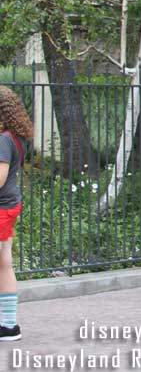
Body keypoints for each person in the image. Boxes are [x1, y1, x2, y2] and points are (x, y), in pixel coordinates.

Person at [0, 87, 28, 341]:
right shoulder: (15, 137)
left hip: (1, 207)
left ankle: (8, 325)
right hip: (9, 204)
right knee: (4, 262)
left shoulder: (3, 140)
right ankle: (8, 325)